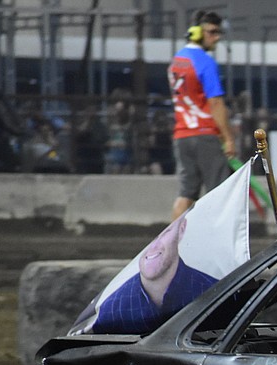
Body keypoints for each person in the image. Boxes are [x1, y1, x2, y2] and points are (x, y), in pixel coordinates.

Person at [89, 216, 218, 334]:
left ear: (182, 229)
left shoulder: (216, 293)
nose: (153, 245)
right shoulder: (110, 308)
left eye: (164, 232)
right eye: (144, 237)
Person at [168, 10, 234, 221]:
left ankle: (169, 247)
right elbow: (215, 103)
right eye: (212, 32)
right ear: (197, 33)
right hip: (205, 134)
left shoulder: (177, 61)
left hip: (182, 135)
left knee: (186, 193)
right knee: (220, 193)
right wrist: (228, 138)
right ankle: (217, 245)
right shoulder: (205, 62)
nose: (217, 38)